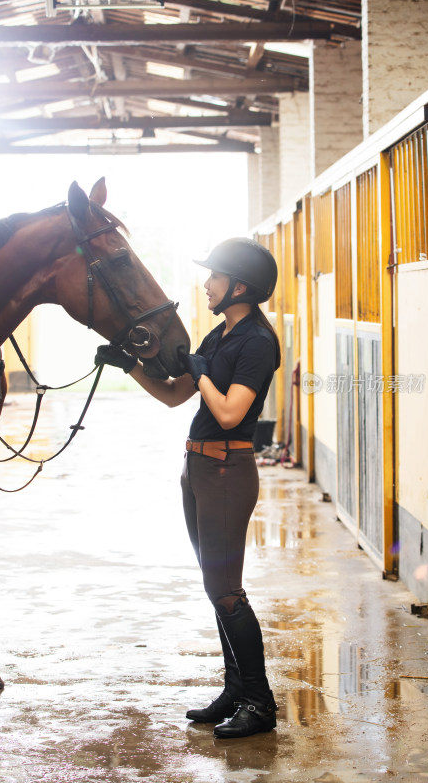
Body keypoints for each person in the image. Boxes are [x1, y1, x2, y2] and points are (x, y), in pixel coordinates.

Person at [95, 237, 281, 739]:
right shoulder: (220, 336)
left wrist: (199, 373)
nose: (206, 285)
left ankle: (260, 704)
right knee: (213, 588)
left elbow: (228, 412)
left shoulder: (258, 344)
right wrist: (128, 365)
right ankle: (236, 689)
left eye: (214, 277)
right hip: (197, 469)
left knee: (226, 592)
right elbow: (177, 395)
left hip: (227, 471)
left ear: (240, 286)